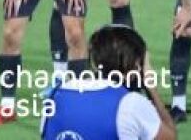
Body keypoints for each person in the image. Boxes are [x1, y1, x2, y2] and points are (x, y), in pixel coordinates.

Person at [41, 24, 177, 140]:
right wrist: (151, 88)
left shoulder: (54, 96)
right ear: (136, 65)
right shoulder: (131, 103)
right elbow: (170, 137)